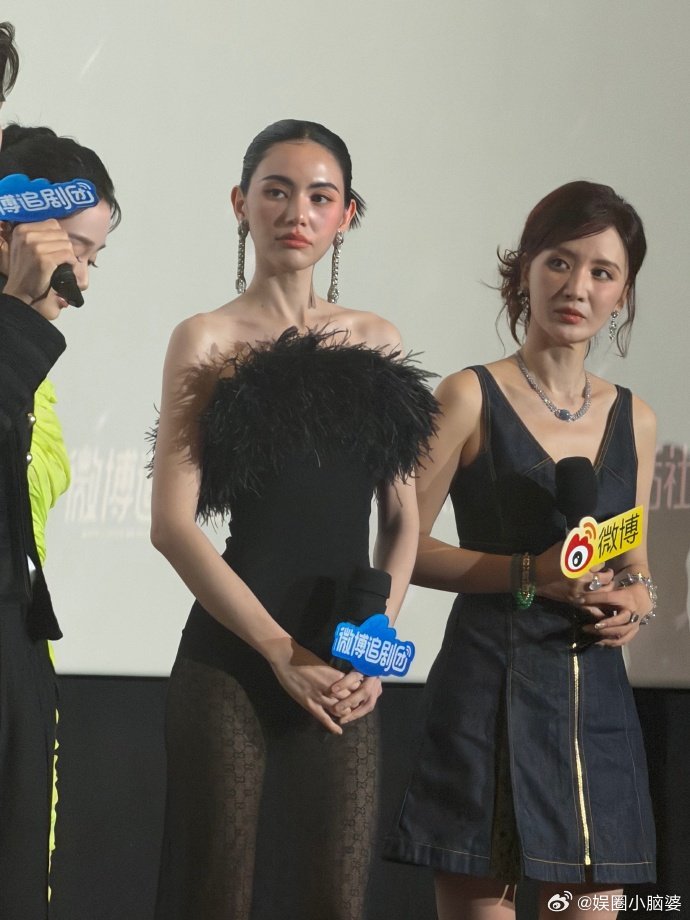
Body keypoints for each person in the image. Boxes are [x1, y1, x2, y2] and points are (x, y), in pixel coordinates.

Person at [150, 118, 438, 920]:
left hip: (344, 661)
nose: (296, 212)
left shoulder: (376, 340)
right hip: (231, 657)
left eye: (320, 196)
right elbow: (172, 524)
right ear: (240, 203)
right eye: (276, 191)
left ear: (347, 215)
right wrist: (278, 648)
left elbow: (402, 522)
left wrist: (372, 646)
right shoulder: (206, 338)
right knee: (215, 897)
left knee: (334, 901)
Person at [383, 181, 657, 919]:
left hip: (593, 703)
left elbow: (629, 552)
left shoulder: (635, 418)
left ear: (622, 295)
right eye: (559, 262)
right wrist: (529, 575)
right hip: (487, 690)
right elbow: (405, 546)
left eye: (602, 272)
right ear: (525, 268)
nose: (577, 287)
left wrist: (637, 597)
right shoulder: (469, 396)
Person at [0, 125, 120, 920]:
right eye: (76, 249)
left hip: (19, 639)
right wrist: (15, 312)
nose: (82, 279)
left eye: (95, 258)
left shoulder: (33, 357)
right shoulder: (18, 335)